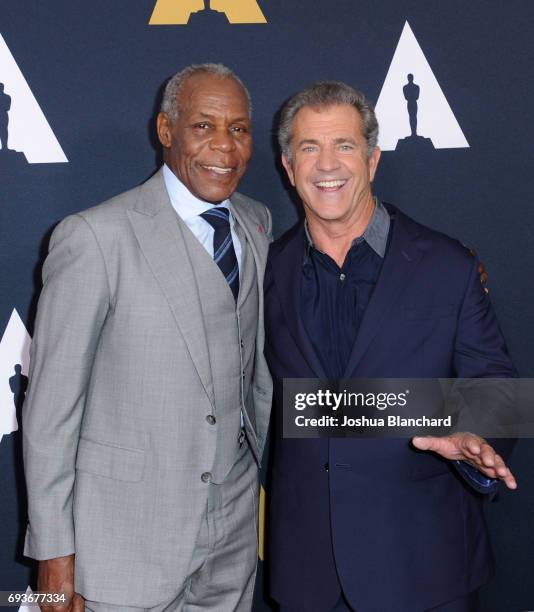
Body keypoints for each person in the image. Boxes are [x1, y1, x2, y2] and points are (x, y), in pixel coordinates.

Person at [23, 63, 272, 612]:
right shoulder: (95, 237)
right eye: (203, 127)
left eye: (238, 129)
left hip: (233, 538)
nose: (224, 147)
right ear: (166, 131)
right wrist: (54, 553)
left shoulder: (258, 226)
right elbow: (50, 411)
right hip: (119, 544)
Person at [264, 81, 516, 612]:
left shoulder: (448, 265)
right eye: (310, 148)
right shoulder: (268, 269)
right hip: (309, 571)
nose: (327, 164)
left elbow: (494, 385)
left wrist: (474, 431)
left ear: (373, 160)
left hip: (423, 565)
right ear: (289, 167)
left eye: (345, 146)